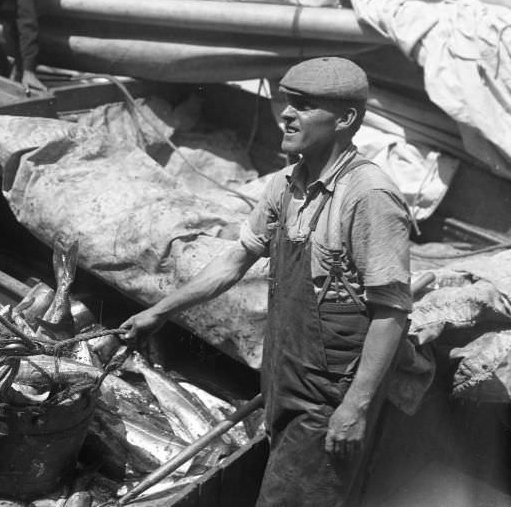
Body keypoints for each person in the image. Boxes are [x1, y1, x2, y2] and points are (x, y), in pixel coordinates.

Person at [120, 57, 411, 507]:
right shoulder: (285, 184)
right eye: (287, 102)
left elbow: (391, 314)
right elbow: (232, 262)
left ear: (346, 119)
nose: (286, 114)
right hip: (283, 372)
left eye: (305, 106)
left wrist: (355, 408)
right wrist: (158, 312)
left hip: (330, 394)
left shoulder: (368, 197)